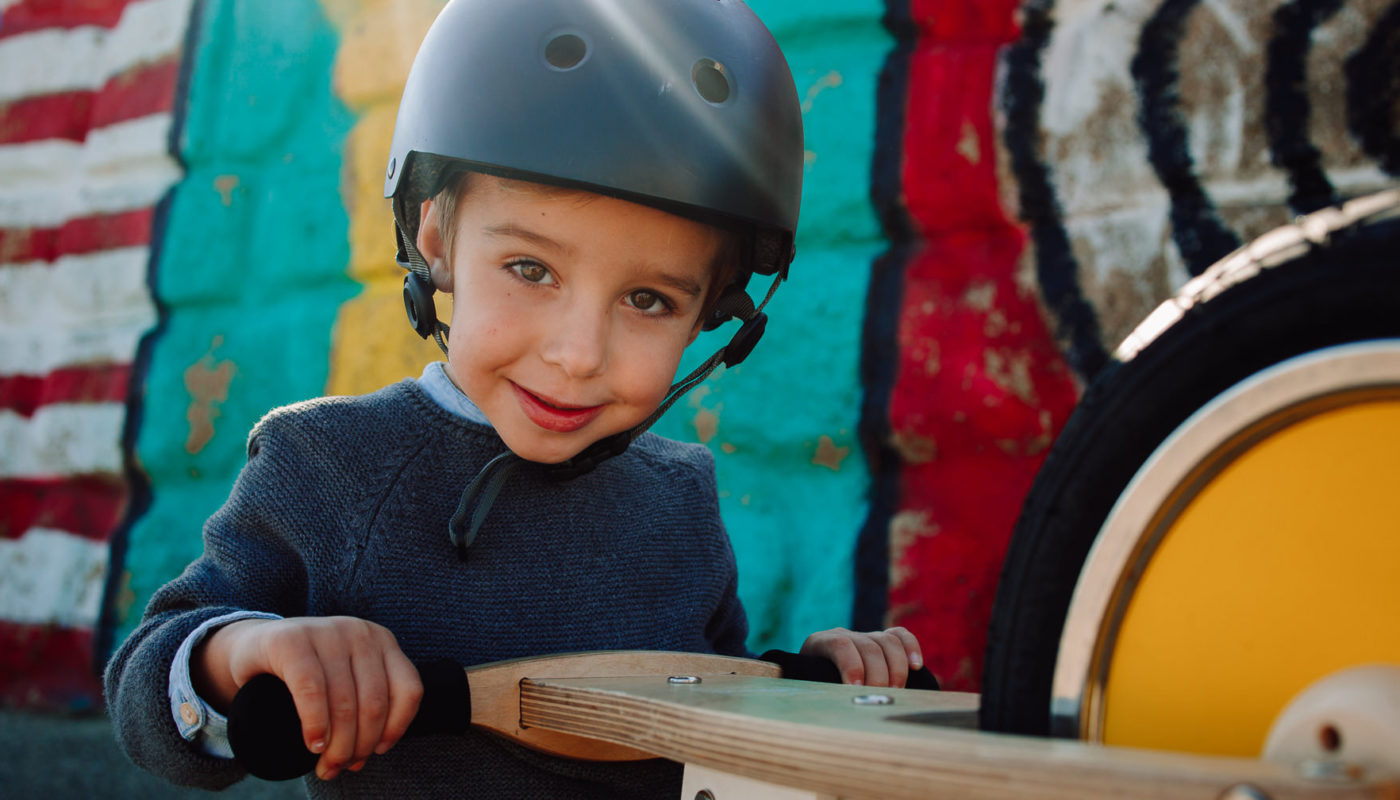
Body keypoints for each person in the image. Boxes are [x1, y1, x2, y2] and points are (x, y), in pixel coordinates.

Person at [105, 0, 930, 797]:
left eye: (649, 301)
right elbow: (151, 693)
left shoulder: (681, 499)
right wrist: (246, 650)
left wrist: (816, 683)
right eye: (531, 270)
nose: (577, 356)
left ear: (713, 318)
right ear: (437, 244)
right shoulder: (329, 465)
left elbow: (706, 718)